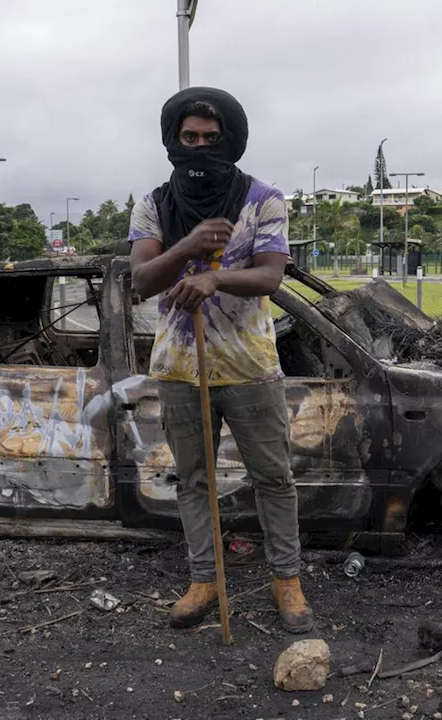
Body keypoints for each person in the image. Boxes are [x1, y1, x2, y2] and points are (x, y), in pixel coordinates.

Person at [127, 87, 314, 634]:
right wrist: (187, 248)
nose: (200, 146)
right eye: (189, 138)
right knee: (194, 479)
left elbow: (270, 276)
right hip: (182, 369)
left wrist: (214, 277)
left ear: (231, 139)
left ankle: (288, 582)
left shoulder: (264, 199)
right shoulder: (154, 205)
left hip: (250, 366)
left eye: (211, 138)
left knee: (274, 478)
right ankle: (205, 580)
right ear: (173, 140)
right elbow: (142, 280)